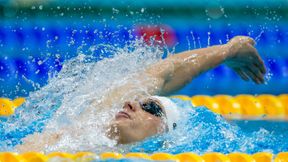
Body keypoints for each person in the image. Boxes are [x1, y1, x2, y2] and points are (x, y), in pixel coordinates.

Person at [16, 36, 266, 152]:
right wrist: (228, 50)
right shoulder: (79, 131)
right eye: (138, 102)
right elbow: (164, 72)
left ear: (165, 133)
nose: (130, 104)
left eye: (151, 108)